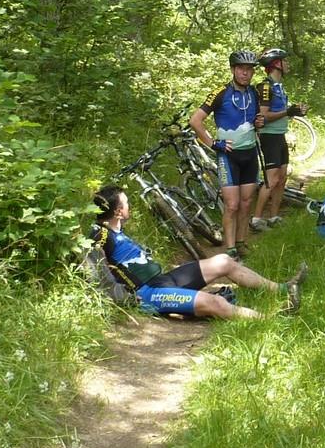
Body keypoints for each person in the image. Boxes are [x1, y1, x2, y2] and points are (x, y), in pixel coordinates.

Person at [88, 186, 304, 318]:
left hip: (164, 279)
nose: (130, 206)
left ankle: (283, 289)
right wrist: (123, 297)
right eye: (126, 203)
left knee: (224, 261)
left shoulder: (117, 230)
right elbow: (97, 269)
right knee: (216, 303)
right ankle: (271, 318)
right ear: (118, 211)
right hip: (148, 294)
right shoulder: (101, 234)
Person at [190, 50, 263, 257]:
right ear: (233, 70)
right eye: (241, 69)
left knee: (246, 203)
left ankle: (241, 242)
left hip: (250, 155)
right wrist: (213, 144)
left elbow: (255, 120)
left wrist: (259, 123)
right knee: (232, 205)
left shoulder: (254, 93)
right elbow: (195, 121)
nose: (245, 73)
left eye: (249, 69)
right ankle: (230, 249)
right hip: (228, 157)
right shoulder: (220, 93)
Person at [251, 48, 305, 232]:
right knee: (271, 179)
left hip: (280, 134)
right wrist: (287, 111)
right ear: (276, 64)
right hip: (269, 136)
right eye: (284, 61)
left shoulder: (278, 86)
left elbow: (280, 112)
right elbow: (264, 116)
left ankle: (274, 216)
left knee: (282, 178)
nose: (288, 64)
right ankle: (256, 219)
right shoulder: (265, 87)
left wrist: (294, 111)